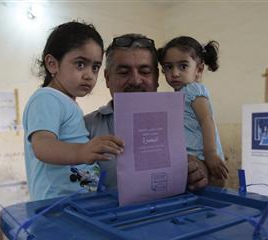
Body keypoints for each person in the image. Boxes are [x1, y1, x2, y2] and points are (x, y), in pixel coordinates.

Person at [84, 33, 209, 191]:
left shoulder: (187, 122)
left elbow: (217, 180)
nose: (136, 80)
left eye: (145, 71)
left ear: (156, 78)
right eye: (123, 72)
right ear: (108, 78)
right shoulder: (85, 127)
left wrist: (200, 171)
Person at [23, 21, 124, 201]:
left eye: (95, 67)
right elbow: (42, 146)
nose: (89, 75)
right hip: (55, 205)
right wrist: (82, 151)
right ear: (52, 64)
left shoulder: (66, 103)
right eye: (80, 64)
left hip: (75, 203)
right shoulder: (46, 98)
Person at [157, 36, 228, 186]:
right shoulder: (178, 95)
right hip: (190, 157)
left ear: (199, 69)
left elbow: (206, 121)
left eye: (183, 66)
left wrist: (211, 155)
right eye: (169, 67)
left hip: (203, 156)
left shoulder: (193, 89)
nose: (175, 73)